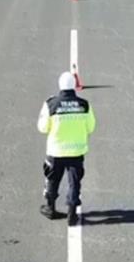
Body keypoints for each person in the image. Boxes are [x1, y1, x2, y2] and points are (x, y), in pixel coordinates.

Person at [37, 72, 96, 225]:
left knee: (52, 180)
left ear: (60, 86)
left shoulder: (51, 104)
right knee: (74, 182)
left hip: (56, 151)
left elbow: (42, 128)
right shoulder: (84, 104)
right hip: (76, 151)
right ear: (74, 86)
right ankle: (72, 212)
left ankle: (50, 208)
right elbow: (91, 127)